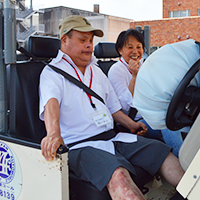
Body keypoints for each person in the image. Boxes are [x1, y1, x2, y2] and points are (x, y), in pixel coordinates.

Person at [39, 15, 184, 200]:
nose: (89, 45)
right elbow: (51, 105)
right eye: (82, 40)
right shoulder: (52, 73)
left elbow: (114, 109)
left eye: (91, 40)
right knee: (118, 173)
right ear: (64, 40)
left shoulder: (96, 71)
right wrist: (53, 133)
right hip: (80, 145)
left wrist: (131, 124)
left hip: (113, 137)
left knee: (162, 153)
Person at [108, 29, 183, 157]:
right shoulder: (116, 70)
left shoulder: (144, 64)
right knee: (166, 123)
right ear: (120, 50)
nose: (135, 52)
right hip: (134, 120)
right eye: (130, 47)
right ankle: (185, 165)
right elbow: (124, 107)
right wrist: (134, 77)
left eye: (139, 47)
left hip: (151, 113)